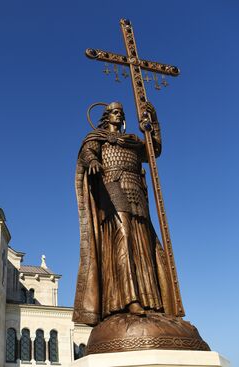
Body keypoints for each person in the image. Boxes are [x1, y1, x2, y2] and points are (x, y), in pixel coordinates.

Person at [72, 101, 182, 326]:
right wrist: (93, 161)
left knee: (144, 244)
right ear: (106, 116)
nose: (118, 115)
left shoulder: (131, 141)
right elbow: (87, 154)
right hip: (111, 186)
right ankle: (128, 299)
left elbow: (154, 151)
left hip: (136, 191)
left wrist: (153, 125)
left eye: (120, 113)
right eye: (114, 112)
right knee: (124, 238)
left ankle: (152, 301)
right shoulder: (96, 138)